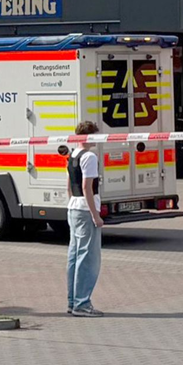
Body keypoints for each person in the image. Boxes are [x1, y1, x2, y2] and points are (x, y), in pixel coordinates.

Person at [66, 121, 105, 317]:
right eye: (96, 134)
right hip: (84, 210)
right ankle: (82, 303)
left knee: (74, 256)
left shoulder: (73, 155)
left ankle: (73, 301)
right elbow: (86, 187)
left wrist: (72, 202)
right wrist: (95, 214)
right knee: (88, 258)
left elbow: (69, 185)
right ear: (89, 136)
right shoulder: (89, 157)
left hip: (73, 209)